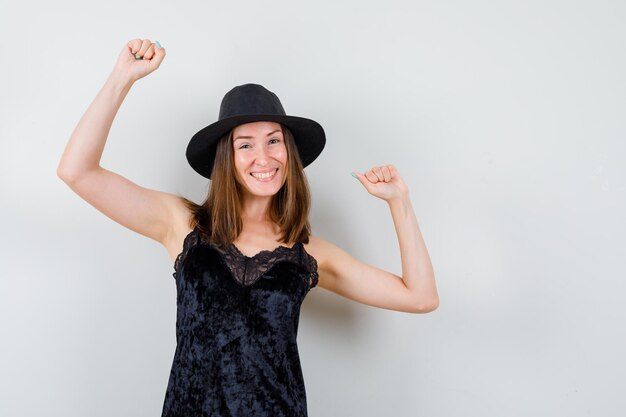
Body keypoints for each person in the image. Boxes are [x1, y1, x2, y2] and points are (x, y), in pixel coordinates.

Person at [57, 38, 439, 417]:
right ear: (227, 158)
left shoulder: (308, 253)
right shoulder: (181, 225)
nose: (263, 157)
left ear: (289, 152)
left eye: (274, 141)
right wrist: (122, 78)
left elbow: (420, 297)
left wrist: (399, 202)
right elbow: (76, 172)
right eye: (246, 145)